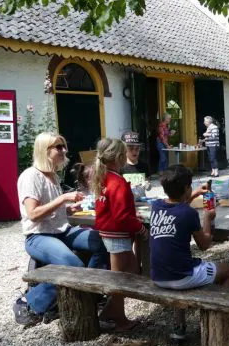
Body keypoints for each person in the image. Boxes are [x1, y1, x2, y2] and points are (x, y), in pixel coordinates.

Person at [14, 133, 108, 326]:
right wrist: (63, 199)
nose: (64, 151)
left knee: (104, 240)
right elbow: (32, 214)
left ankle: (88, 292)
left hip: (62, 232)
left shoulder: (53, 175)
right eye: (58, 147)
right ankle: (29, 302)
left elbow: (51, 208)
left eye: (63, 146)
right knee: (72, 265)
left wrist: (67, 208)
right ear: (44, 150)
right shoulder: (31, 176)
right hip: (38, 236)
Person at [149, 165, 229, 342]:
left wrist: (194, 194)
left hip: (158, 276)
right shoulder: (189, 213)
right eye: (190, 187)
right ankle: (224, 320)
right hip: (181, 278)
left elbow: (176, 209)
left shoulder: (156, 207)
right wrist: (207, 219)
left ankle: (179, 327)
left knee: (178, 265)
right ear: (186, 188)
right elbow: (205, 244)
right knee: (227, 271)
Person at [93, 137, 148, 331]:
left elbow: (115, 210)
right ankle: (119, 319)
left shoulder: (103, 177)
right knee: (121, 279)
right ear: (119, 157)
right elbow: (122, 217)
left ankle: (110, 312)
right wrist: (140, 228)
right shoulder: (118, 181)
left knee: (130, 272)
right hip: (117, 234)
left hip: (108, 231)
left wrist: (132, 214)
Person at [120, 130, 151, 274]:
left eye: (137, 148)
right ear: (124, 149)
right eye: (131, 148)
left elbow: (148, 182)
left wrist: (148, 185)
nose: (135, 151)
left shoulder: (144, 165)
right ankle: (130, 267)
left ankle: (141, 267)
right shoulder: (121, 167)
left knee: (142, 237)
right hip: (127, 207)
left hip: (142, 206)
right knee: (129, 238)